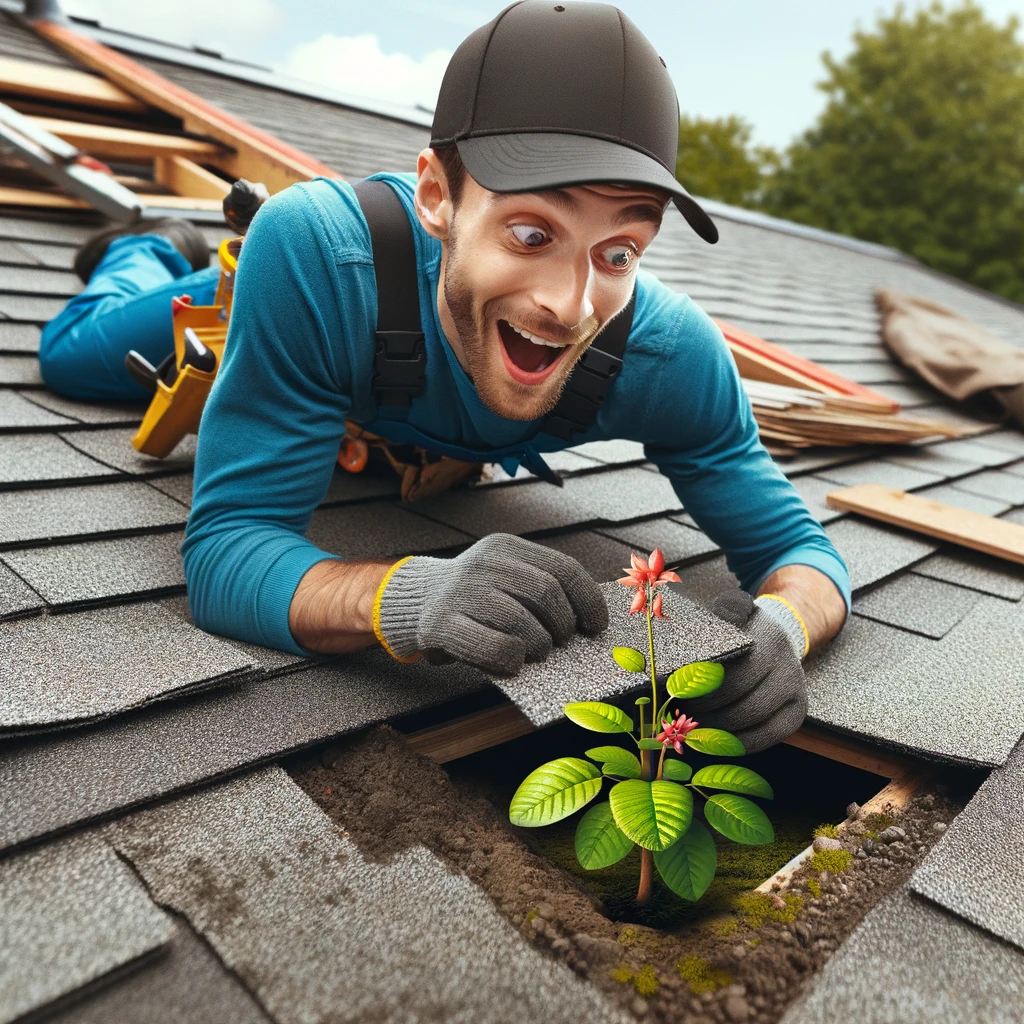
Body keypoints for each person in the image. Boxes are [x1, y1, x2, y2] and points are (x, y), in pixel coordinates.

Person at [39, 0, 849, 753]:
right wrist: (403, 597)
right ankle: (140, 250)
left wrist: (786, 626)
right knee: (71, 354)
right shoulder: (318, 258)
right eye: (532, 232)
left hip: (376, 411)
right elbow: (225, 548)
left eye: (617, 252)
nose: (570, 307)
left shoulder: (671, 356)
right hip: (255, 297)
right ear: (436, 196)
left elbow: (801, 551)